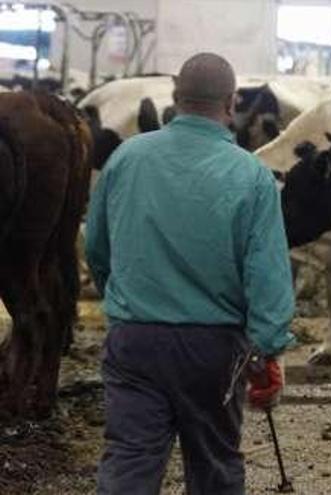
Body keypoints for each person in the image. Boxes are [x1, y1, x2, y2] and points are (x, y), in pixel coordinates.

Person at [86, 52, 295, 495]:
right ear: (232, 102)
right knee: (214, 465)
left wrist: (124, 302)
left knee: (129, 463)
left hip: (135, 341)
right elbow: (268, 275)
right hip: (214, 349)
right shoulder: (252, 175)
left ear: (176, 98)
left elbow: (96, 247)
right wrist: (267, 346)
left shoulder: (126, 159)